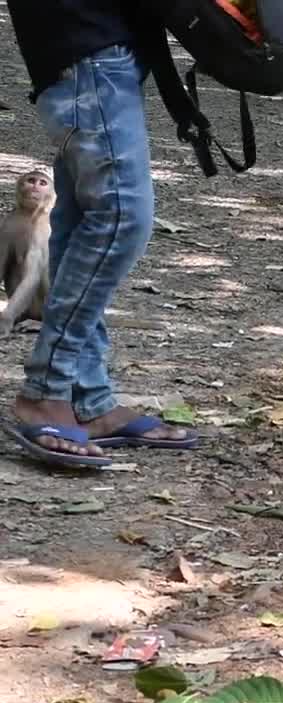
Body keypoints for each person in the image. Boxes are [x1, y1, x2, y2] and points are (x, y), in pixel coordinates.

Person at [5, 2, 197, 467]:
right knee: (121, 215)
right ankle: (45, 390)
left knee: (75, 225)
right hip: (86, 47)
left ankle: (87, 400)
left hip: (95, 50)